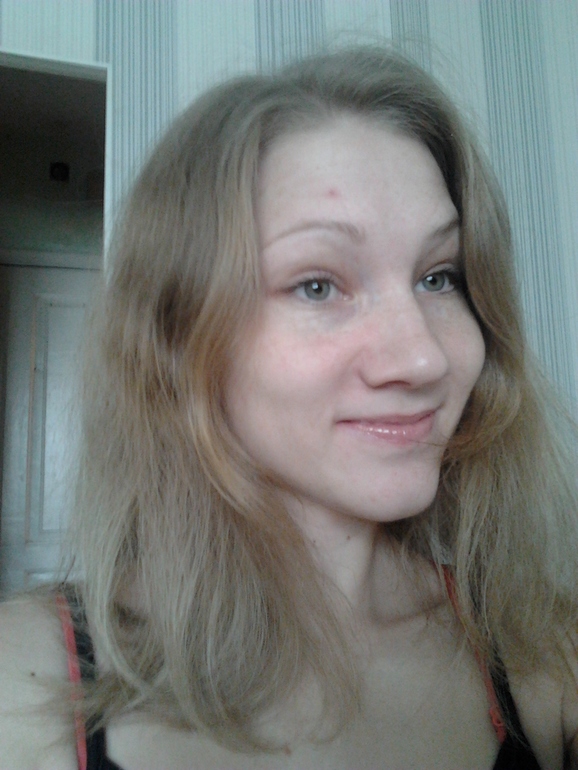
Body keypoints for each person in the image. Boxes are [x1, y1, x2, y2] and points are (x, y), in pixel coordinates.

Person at [1, 44, 577, 770]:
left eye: (439, 276)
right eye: (318, 285)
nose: (424, 360)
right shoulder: (23, 681)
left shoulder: (544, 654)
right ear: (179, 336)